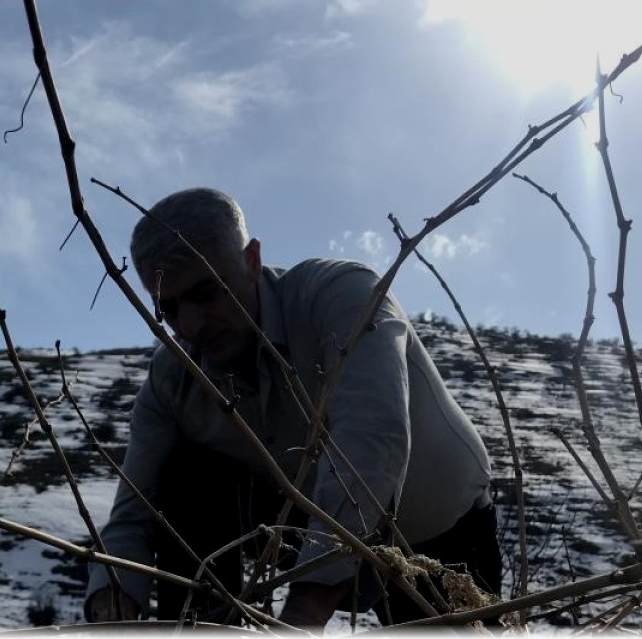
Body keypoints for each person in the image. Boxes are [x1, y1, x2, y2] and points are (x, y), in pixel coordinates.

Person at [83, 188, 501, 631]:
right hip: (304, 530)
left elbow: (371, 438)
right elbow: (135, 511)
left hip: (442, 537)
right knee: (188, 477)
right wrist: (109, 610)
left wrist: (298, 623)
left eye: (207, 293)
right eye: (168, 308)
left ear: (251, 259)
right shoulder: (171, 378)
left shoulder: (340, 294)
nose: (190, 326)